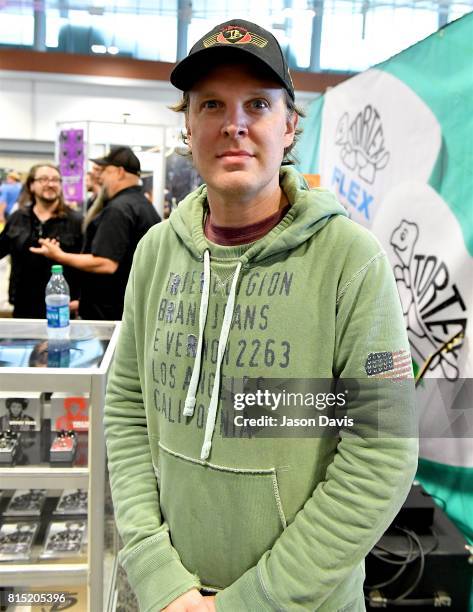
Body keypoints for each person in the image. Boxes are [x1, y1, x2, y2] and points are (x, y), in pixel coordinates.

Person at [104, 19, 418, 612]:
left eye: (258, 104)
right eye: (212, 104)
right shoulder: (155, 254)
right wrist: (156, 573)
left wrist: (248, 602)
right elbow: (126, 409)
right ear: (189, 124)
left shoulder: (350, 260)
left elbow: (380, 452)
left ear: (290, 124)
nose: (235, 125)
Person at [31, 146, 161, 320]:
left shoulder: (118, 209)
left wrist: (59, 256)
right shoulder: (143, 205)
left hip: (110, 314)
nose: (100, 177)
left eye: (105, 171)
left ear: (119, 172)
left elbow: (106, 263)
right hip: (130, 308)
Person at [0, 164, 82, 318]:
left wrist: (82, 301)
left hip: (62, 307)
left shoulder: (76, 221)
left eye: (55, 180)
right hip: (23, 306)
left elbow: (89, 264)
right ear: (31, 185)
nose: (50, 184)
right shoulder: (17, 218)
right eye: (43, 179)